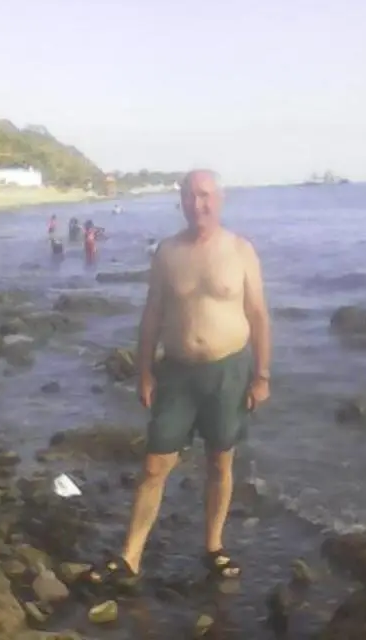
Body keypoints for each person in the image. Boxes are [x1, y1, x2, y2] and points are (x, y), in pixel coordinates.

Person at [82, 169, 271, 586]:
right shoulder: (167, 252)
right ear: (181, 201)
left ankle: (214, 547)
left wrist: (262, 375)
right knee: (155, 464)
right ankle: (130, 556)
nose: (197, 204)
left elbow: (258, 315)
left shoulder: (240, 250)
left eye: (205, 195)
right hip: (177, 374)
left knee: (220, 461)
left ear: (219, 198)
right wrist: (144, 372)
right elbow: (152, 313)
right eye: (189, 196)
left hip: (228, 372)